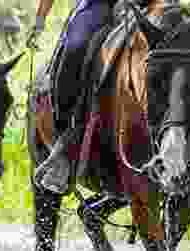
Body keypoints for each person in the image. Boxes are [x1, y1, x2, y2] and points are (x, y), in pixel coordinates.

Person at [28, 0, 119, 195]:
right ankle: (64, 144)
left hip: (148, 5)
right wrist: (40, 20)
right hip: (98, 6)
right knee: (76, 48)